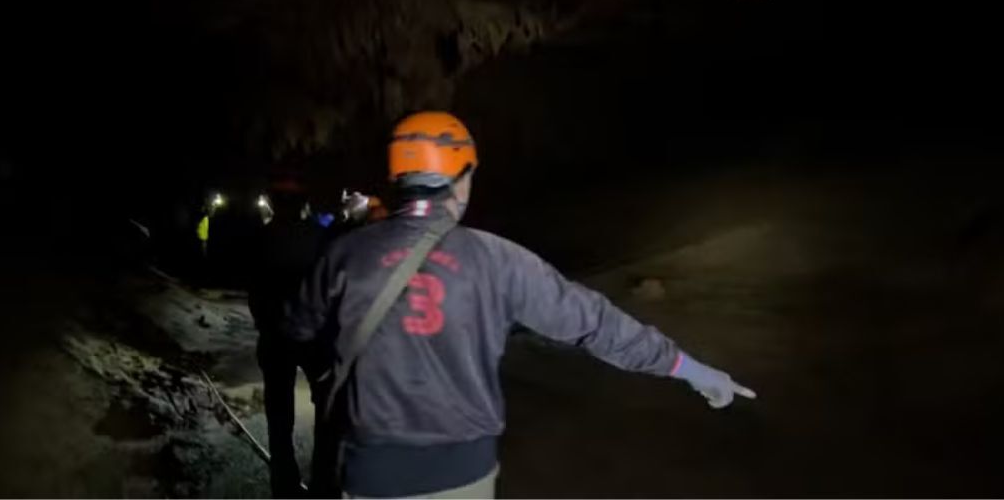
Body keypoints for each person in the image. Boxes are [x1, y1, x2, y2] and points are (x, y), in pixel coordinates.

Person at [300, 112, 756, 498]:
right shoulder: (499, 259)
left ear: (399, 178)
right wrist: (694, 371)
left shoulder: (345, 254)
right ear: (461, 177)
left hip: (370, 470)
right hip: (462, 474)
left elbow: (299, 327)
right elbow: (596, 323)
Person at [247, 181, 331, 498]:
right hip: (313, 339)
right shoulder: (320, 238)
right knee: (325, 410)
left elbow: (254, 288)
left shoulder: (263, 238)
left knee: (280, 415)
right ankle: (323, 482)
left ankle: (285, 485)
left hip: (277, 337)